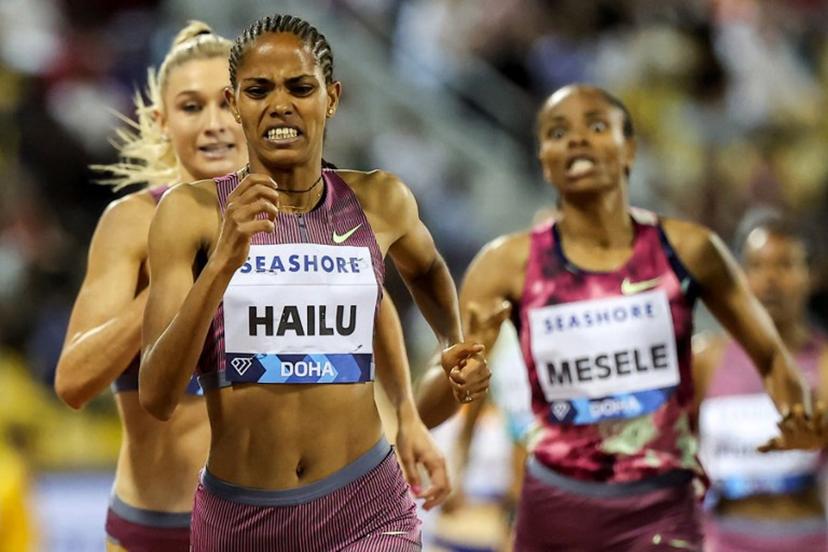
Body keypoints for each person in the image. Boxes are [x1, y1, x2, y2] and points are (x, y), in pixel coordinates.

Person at [416, 84, 818, 551]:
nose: (576, 139)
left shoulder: (691, 251)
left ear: (630, 148)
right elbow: (425, 406)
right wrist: (455, 381)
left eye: (596, 126)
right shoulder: (504, 264)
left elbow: (773, 357)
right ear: (543, 159)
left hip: (661, 509)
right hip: (555, 508)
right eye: (558, 132)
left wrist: (795, 413)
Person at [139, 14, 488, 551]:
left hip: (368, 509)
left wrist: (451, 342)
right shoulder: (190, 213)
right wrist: (223, 262)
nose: (280, 104)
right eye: (259, 90)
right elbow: (158, 396)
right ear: (235, 104)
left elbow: (426, 269)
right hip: (241, 521)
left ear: (332, 98)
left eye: (300, 87)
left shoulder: (380, 201)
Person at [53, 22, 247, 551]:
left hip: (270, 529)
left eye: (228, 103)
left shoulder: (301, 220)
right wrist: (174, 281)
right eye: (191, 107)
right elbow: (73, 381)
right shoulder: (134, 222)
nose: (213, 124)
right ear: (162, 121)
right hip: (155, 531)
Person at [695, 212, 828, 551]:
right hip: (723, 539)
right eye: (757, 265)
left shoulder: (825, 363)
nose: (770, 279)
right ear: (739, 276)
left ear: (812, 275)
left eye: (785, 265)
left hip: (807, 539)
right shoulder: (705, 360)